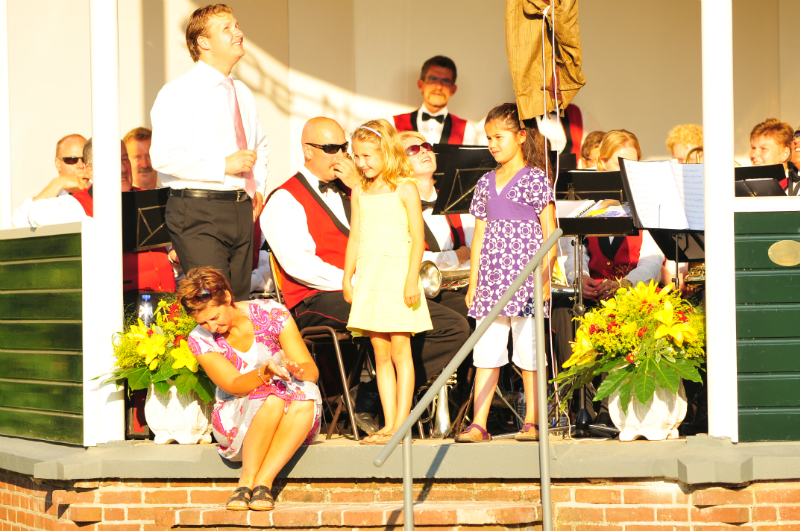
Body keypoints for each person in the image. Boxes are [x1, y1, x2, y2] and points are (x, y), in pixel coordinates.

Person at [263, 117, 470, 397]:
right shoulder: (285, 198)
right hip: (318, 296)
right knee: (449, 326)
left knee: (465, 311)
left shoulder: (358, 188)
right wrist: (358, 281)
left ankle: (456, 401)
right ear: (307, 151)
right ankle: (370, 397)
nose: (341, 155)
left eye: (344, 148)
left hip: (375, 283)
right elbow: (300, 266)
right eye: (331, 148)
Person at [150, 4, 269, 302]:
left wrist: (257, 188)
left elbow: (260, 146)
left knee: (238, 304)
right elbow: (163, 156)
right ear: (203, 42)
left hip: (241, 208)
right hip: (198, 210)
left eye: (236, 25)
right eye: (227, 28)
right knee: (215, 304)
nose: (238, 33)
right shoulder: (179, 91)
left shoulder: (242, 91)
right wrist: (223, 165)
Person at [456, 102, 557, 443]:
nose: (493, 144)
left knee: (529, 350)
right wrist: (473, 282)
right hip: (491, 280)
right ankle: (478, 423)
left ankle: (532, 420)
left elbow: (550, 233)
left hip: (527, 278)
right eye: (489, 138)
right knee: (486, 351)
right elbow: (479, 236)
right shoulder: (485, 182)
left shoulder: (535, 178)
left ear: (521, 136)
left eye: (499, 137)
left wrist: (545, 276)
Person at [181, 267, 320, 511]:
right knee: (271, 397)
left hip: (290, 414)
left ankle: (263, 482)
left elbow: (311, 371)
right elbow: (234, 386)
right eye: (203, 322)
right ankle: (245, 481)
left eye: (214, 317)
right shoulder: (199, 339)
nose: (211, 327)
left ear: (227, 297)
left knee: (307, 393)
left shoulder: (272, 313)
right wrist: (264, 373)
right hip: (237, 416)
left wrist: (298, 372)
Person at [343, 120, 432, 444]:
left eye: (367, 155)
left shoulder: (405, 188)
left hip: (397, 276)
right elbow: (355, 236)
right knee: (380, 354)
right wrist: (347, 277)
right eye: (357, 156)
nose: (361, 162)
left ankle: (401, 423)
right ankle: (387, 423)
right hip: (370, 276)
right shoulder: (359, 191)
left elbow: (418, 239)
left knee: (400, 350)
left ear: (386, 152)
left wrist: (411, 281)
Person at [398, 130, 474, 318]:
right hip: (425, 294)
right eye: (413, 150)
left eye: (426, 147)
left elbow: (474, 248)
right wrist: (457, 256)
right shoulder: (398, 206)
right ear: (399, 164)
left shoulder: (456, 200)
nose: (424, 151)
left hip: (465, 285)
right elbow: (410, 259)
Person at [393, 56, 478, 145]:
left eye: (446, 81)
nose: (439, 86)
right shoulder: (394, 124)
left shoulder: (467, 130)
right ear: (421, 84)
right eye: (433, 79)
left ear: (453, 89)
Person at [748, 118, 797, 195]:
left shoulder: (796, 189)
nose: (754, 155)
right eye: (753, 148)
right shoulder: (743, 188)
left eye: (764, 149)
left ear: (784, 154)